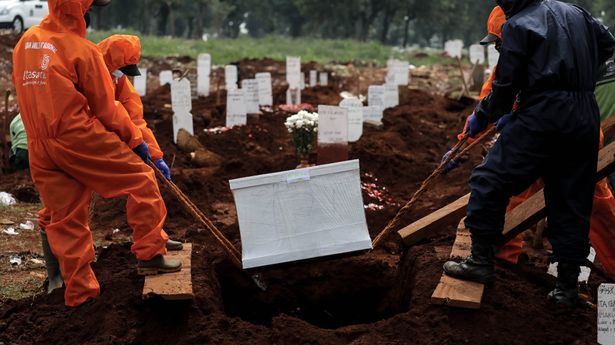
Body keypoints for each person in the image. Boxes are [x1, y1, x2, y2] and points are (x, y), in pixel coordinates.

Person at [442, 0, 615, 306]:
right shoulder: (575, 12)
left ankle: (481, 262)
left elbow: (503, 90)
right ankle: (566, 287)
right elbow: (608, 43)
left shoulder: (518, 26)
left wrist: (484, 115)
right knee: (571, 200)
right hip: (584, 117)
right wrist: (579, 72)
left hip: (542, 117)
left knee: (488, 181)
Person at [12, 0, 182, 307]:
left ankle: (79, 295)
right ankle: (151, 254)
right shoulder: (83, 50)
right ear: (81, 11)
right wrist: (137, 143)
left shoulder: (26, 41)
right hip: (78, 137)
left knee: (66, 219)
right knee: (141, 178)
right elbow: (107, 109)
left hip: (40, 143)